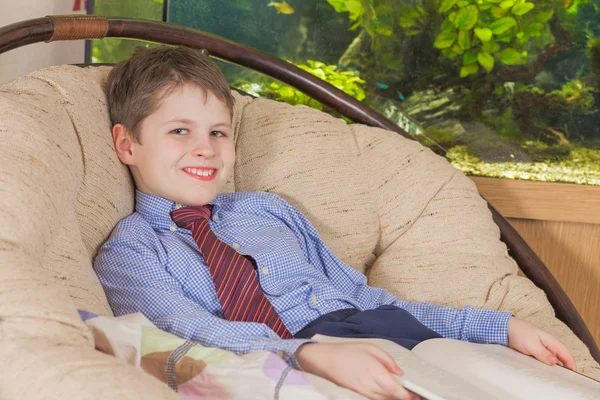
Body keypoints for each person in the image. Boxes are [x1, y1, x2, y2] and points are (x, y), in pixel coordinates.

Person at [94, 45, 576, 400]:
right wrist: (301, 353)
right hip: (301, 353)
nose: (206, 148)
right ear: (127, 144)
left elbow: (362, 298)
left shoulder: (265, 209)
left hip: (383, 330)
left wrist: (496, 327)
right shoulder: (132, 248)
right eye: (180, 131)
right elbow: (183, 328)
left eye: (218, 131)